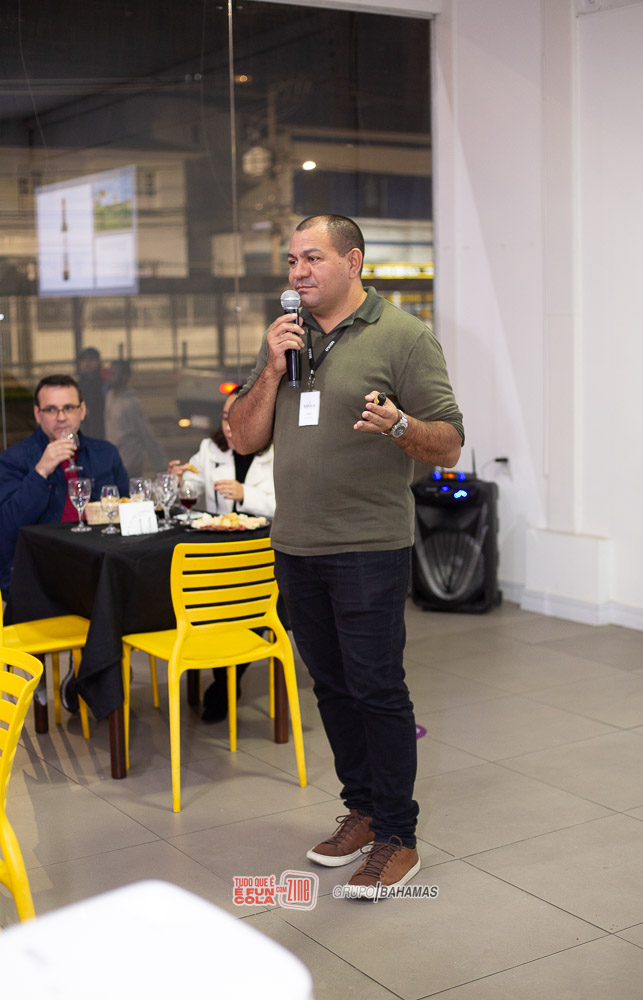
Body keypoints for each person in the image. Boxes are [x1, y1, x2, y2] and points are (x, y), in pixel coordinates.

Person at [230, 214, 464, 897]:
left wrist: (399, 424)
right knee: (330, 689)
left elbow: (449, 442)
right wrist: (272, 368)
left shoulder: (404, 337)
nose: (297, 272)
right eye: (291, 260)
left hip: (367, 547)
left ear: (353, 261)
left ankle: (397, 835)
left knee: (376, 690)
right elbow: (243, 435)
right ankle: (361, 810)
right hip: (295, 546)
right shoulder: (287, 337)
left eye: (312, 258)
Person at [169, 388, 276, 722]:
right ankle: (224, 675)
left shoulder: (280, 449)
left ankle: (228, 679)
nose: (230, 427)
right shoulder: (210, 448)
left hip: (260, 554)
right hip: (219, 553)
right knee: (205, 602)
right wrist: (180, 479)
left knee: (249, 605)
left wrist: (246, 494)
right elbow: (193, 487)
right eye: (227, 418)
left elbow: (289, 503)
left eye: (240, 418)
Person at [0, 373, 129, 593]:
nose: (61, 417)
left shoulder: (106, 453)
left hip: (100, 566)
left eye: (68, 408)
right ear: (37, 414)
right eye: (51, 410)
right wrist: (41, 471)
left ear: (82, 410)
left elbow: (126, 509)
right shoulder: (14, 459)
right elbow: (8, 526)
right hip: (40, 571)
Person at [104, 360, 165, 478]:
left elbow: (146, 433)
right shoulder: (110, 397)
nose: (109, 377)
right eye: (109, 373)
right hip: (114, 460)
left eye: (114, 374)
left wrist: (160, 465)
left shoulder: (132, 403)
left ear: (125, 377)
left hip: (130, 462)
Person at [76, 346, 106, 438]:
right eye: (84, 360)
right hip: (84, 425)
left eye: (91, 359)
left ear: (98, 362)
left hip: (101, 424)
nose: (87, 363)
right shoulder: (79, 384)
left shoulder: (104, 382)